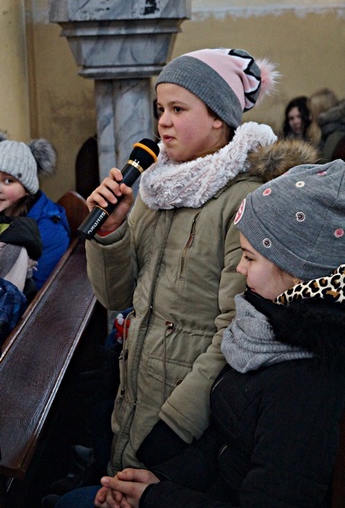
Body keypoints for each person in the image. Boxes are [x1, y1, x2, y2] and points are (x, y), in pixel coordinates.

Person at [48, 47, 281, 508]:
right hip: (138, 389)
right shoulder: (157, 188)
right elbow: (116, 296)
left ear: (219, 118)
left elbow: (235, 330)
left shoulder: (245, 202)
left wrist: (175, 426)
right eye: (160, 110)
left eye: (179, 109)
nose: (163, 123)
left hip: (187, 420)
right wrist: (111, 232)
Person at [91, 158, 345, 508]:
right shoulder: (264, 329)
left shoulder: (305, 384)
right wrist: (163, 478)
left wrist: (155, 498)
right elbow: (228, 445)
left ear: (296, 268)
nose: (240, 268)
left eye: (250, 258)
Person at [0, 134, 70, 290]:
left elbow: (39, 293)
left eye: (8, 181)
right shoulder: (5, 212)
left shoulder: (50, 230)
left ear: (27, 188)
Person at [307, 88, 345, 162]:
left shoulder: (334, 137)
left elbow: (325, 165)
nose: (310, 118)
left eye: (312, 113)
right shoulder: (328, 134)